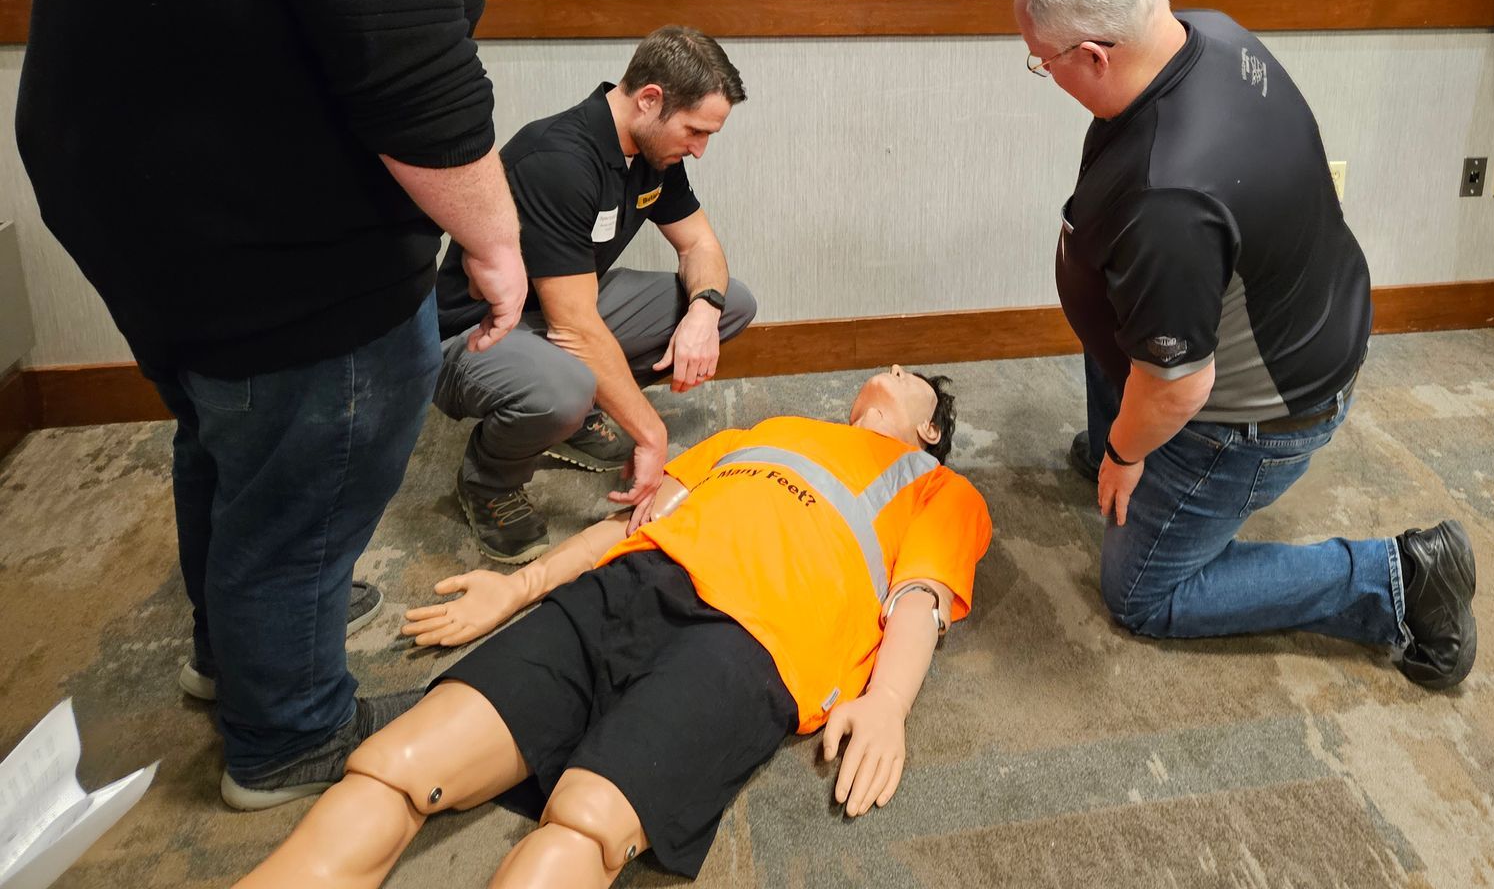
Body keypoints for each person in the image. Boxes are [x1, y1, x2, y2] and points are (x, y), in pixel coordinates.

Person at [15, 0, 536, 809]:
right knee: (311, 466)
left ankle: (228, 653)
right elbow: (416, 87)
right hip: (276, 244)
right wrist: (496, 242)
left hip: (131, 202)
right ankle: (287, 733)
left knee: (229, 432)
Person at [235, 366, 989, 886]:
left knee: (584, 823)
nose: (891, 368)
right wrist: (518, 586)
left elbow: (919, 600)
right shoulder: (769, 430)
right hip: (629, 587)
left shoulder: (940, 487)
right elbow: (640, 522)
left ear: (930, 431)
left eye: (910, 374)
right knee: (394, 764)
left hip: (754, 646)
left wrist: (887, 704)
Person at [1015, 0, 1476, 688]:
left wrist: (1130, 450)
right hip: (1282, 314)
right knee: (1136, 369)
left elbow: (1179, 385)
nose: (1043, 71)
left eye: (1043, 61)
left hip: (1253, 414)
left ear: (1096, 56)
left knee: (1143, 593)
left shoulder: (1170, 195)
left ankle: (1399, 579)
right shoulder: (1210, 36)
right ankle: (1122, 448)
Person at [435, 27, 759, 562]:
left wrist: (705, 310)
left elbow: (699, 243)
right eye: (695, 131)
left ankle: (579, 403)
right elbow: (574, 328)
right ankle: (488, 480)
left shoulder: (654, 154)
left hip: (564, 307)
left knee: (733, 301)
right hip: (476, 333)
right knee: (564, 387)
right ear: (650, 99)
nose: (699, 150)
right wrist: (651, 434)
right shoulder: (559, 160)